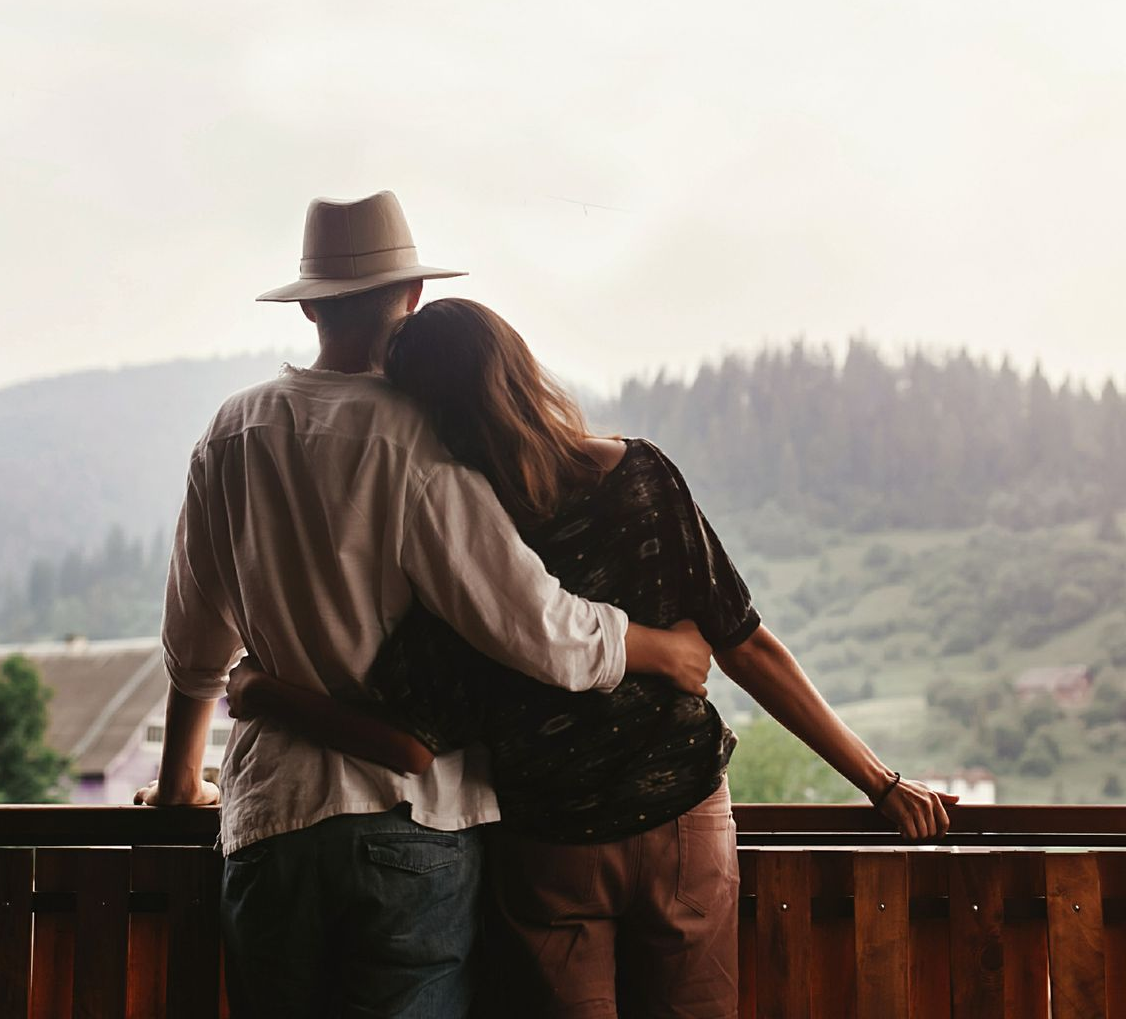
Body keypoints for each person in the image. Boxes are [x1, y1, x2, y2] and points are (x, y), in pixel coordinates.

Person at [230, 297, 956, 1017]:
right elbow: (746, 645)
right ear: (517, 368)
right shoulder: (639, 478)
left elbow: (408, 740)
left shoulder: (464, 545)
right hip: (682, 819)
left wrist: (262, 691)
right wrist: (880, 783)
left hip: (553, 848)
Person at [132, 191, 715, 1018]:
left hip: (270, 820)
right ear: (408, 299)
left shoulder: (231, 433)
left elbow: (194, 649)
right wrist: (659, 647)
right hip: (415, 818)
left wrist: (180, 785)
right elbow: (540, 631)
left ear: (308, 306)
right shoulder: (422, 439)